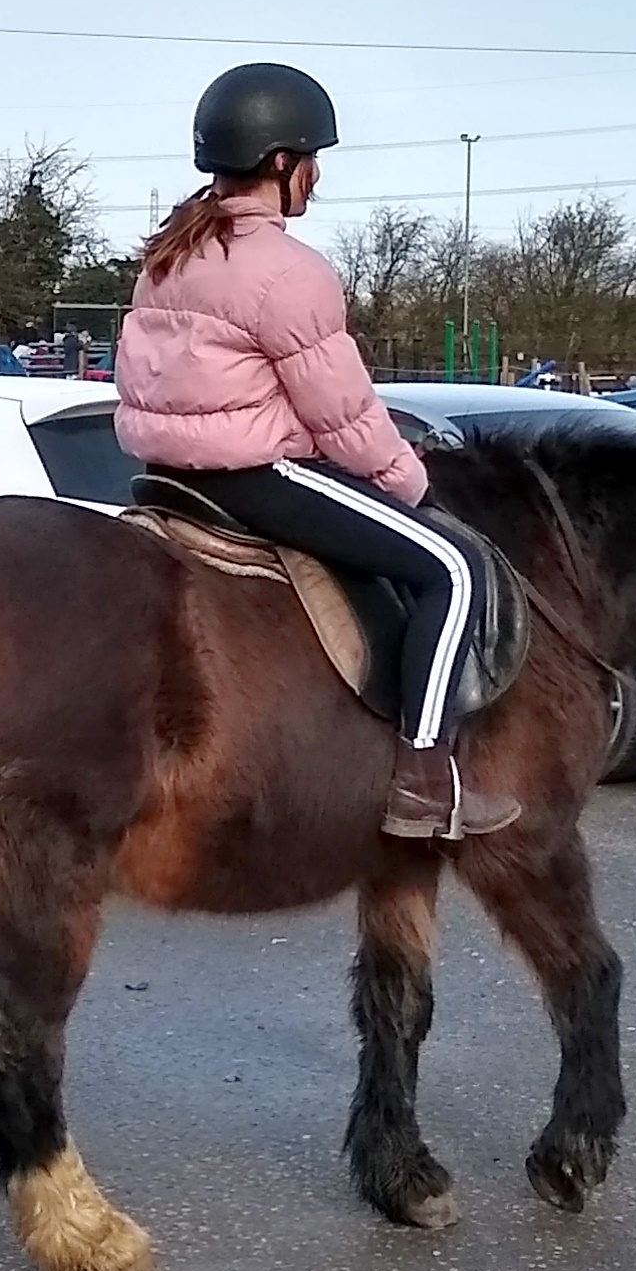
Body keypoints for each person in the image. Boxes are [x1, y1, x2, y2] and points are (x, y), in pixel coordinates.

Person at [113, 62, 517, 842]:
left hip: (167, 477)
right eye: (311, 160)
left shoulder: (170, 253)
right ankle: (424, 780)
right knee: (455, 567)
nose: (317, 176)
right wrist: (410, 483)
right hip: (257, 477)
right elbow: (343, 414)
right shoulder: (289, 272)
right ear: (279, 163)